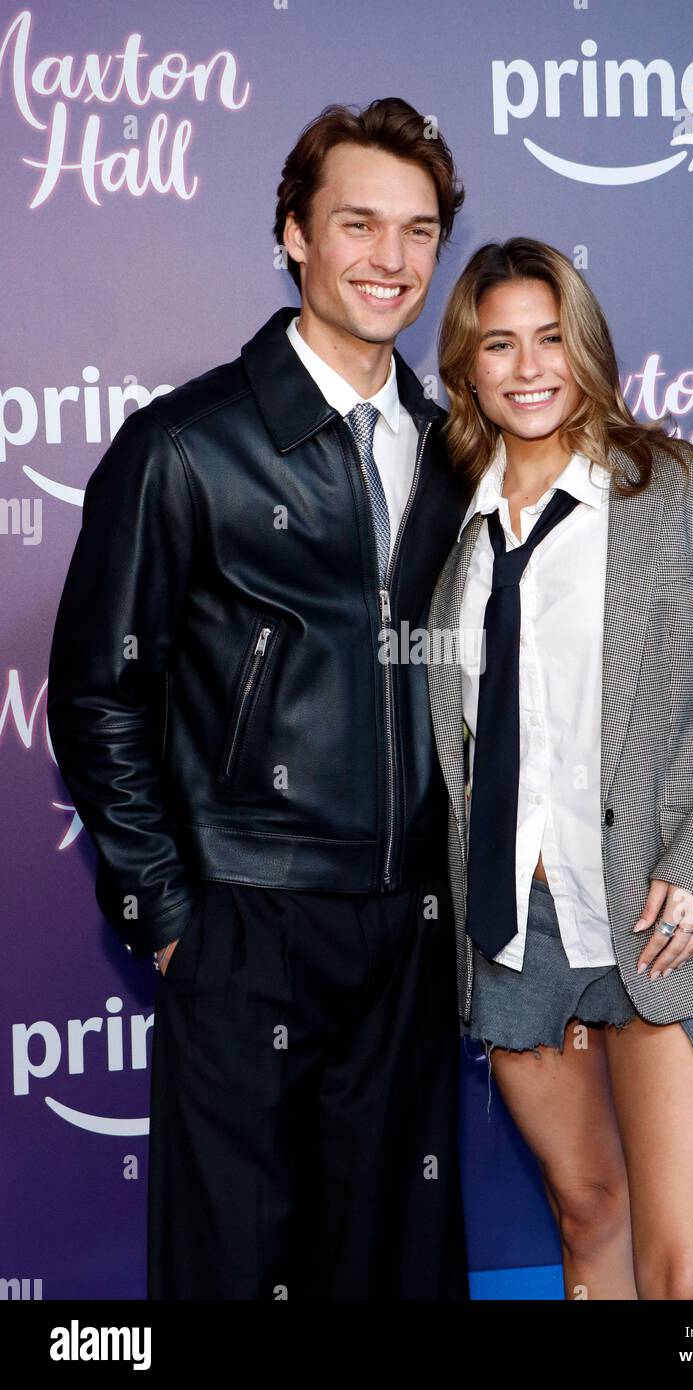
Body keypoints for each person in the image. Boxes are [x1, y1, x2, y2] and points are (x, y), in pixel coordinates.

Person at [46, 97, 471, 1301]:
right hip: (245, 922)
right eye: (357, 224)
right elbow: (95, 697)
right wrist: (173, 917)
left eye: (418, 230)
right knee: (236, 1265)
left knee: (392, 1262)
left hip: (408, 930)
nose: (391, 260)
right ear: (294, 232)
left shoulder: (451, 450)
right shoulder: (182, 447)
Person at [427, 237, 693, 1300]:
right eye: (500, 344)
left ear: (587, 349)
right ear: (468, 366)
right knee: (590, 1214)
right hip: (514, 925)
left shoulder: (689, 493)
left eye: (552, 338)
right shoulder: (441, 523)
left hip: (654, 911)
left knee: (687, 1265)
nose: (530, 367)